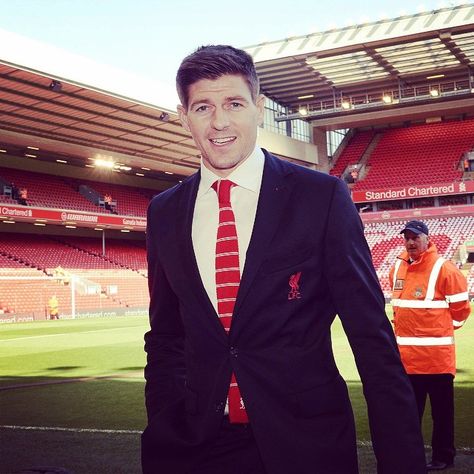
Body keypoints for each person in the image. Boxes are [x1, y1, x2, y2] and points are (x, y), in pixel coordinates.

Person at [142, 45, 426, 474]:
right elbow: (165, 336)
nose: (219, 122)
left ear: (259, 109)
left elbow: (372, 341)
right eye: (203, 107)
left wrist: (403, 464)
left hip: (305, 448)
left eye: (234, 104)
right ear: (184, 116)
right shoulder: (164, 212)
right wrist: (166, 420)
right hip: (196, 449)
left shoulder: (321, 198)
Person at [389, 220, 470, 471]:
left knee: (442, 415)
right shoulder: (396, 268)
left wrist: (441, 331)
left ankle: (443, 457)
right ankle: (409, 456)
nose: (411, 242)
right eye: (407, 238)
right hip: (407, 361)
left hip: (437, 360)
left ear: (427, 238)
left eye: (415, 237)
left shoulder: (444, 268)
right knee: (408, 416)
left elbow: (461, 311)